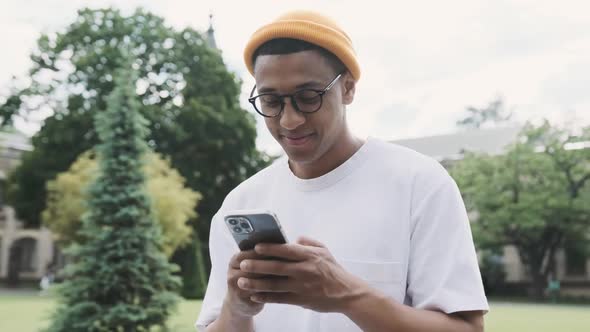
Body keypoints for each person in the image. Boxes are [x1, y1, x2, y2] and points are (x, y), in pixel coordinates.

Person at [196, 10, 488, 332]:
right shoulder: (241, 203)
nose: (289, 120)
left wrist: (344, 293)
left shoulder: (419, 184)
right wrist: (236, 312)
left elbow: (467, 328)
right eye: (270, 100)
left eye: (308, 98)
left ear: (347, 88)